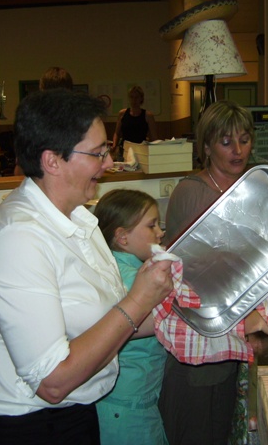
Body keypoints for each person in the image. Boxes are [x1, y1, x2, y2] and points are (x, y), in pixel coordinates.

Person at [0, 88, 174, 445]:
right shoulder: (20, 239)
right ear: (52, 161)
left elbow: (104, 320)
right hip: (28, 424)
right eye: (98, 153)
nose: (108, 163)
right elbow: (53, 382)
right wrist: (139, 300)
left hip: (75, 410)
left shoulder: (78, 218)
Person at [158, 100, 268, 445]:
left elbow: (249, 266)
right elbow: (214, 272)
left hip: (229, 339)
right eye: (226, 142)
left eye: (244, 139)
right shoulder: (193, 193)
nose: (238, 150)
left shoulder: (248, 189)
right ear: (206, 146)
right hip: (199, 346)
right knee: (199, 432)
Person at [93, 189, 169, 445]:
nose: (160, 232)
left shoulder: (124, 267)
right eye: (152, 226)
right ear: (122, 237)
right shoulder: (130, 279)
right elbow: (171, 320)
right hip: (127, 405)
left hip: (129, 401)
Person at [112, 85, 158, 160]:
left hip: (141, 150)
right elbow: (117, 133)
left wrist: (155, 151)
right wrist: (114, 145)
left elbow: (154, 137)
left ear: (141, 99)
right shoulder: (122, 114)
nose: (134, 100)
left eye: (136, 97)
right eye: (131, 97)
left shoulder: (148, 115)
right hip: (124, 150)